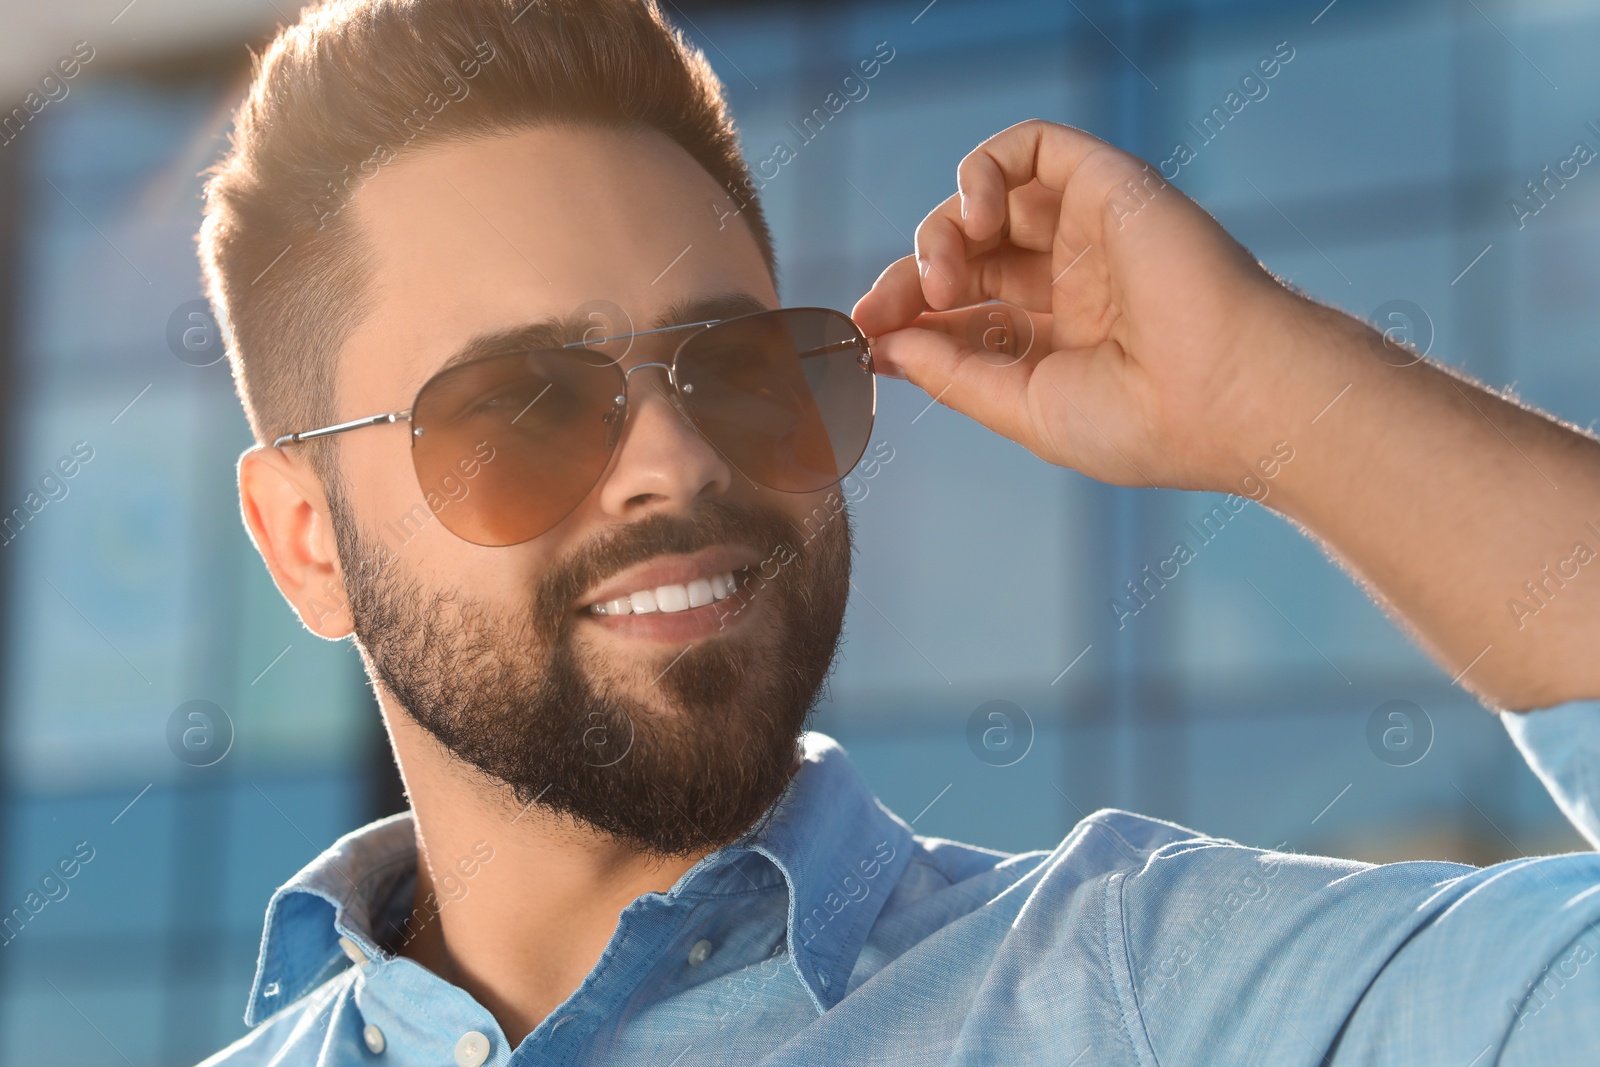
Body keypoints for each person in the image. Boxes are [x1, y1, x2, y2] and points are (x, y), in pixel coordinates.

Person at [196, 0, 1600, 1063]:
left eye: (735, 369)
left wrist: (1269, 394)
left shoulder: (1128, 994)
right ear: (307, 541)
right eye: (520, 407)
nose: (674, 462)